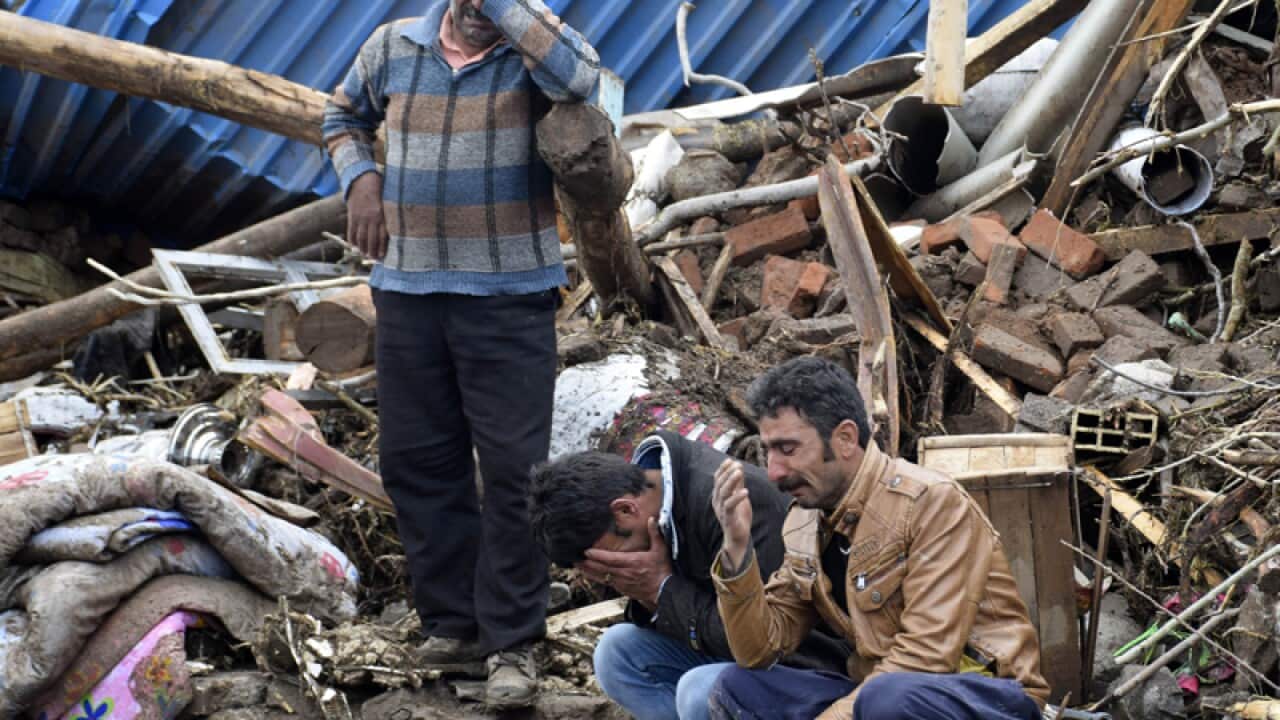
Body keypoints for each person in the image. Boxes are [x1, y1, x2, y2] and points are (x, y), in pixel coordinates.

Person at [321, 0, 600, 707]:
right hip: (409, 292)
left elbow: (585, 82)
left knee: (514, 473)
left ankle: (512, 643)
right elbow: (341, 117)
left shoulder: (531, 49)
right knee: (418, 462)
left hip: (508, 298)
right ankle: (452, 623)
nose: (482, 14)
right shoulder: (393, 46)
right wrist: (361, 178)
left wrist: (511, 12)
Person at [708, 357, 1049, 720]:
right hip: (879, 695)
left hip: (982, 697)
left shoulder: (931, 503)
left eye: (788, 450)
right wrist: (736, 550)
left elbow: (927, 657)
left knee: (887, 698)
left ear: (844, 439)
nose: (773, 472)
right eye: (768, 450)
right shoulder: (804, 522)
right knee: (732, 685)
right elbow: (758, 650)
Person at [529, 431, 848, 720]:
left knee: (702, 691)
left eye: (608, 561)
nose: (609, 572)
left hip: (816, 668)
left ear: (625, 510)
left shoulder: (732, 505)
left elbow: (759, 646)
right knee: (617, 653)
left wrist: (660, 589)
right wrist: (650, 593)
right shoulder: (653, 506)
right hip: (736, 653)